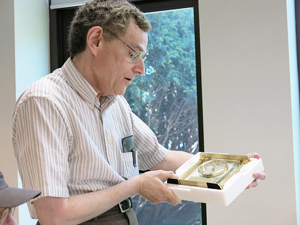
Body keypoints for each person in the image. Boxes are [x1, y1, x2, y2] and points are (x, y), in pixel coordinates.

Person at [12, 0, 266, 224]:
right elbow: (53, 215)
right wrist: (133, 186)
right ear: (96, 40)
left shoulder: (115, 103)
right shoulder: (44, 102)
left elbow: (161, 159)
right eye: (134, 54)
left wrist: (232, 171)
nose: (141, 69)